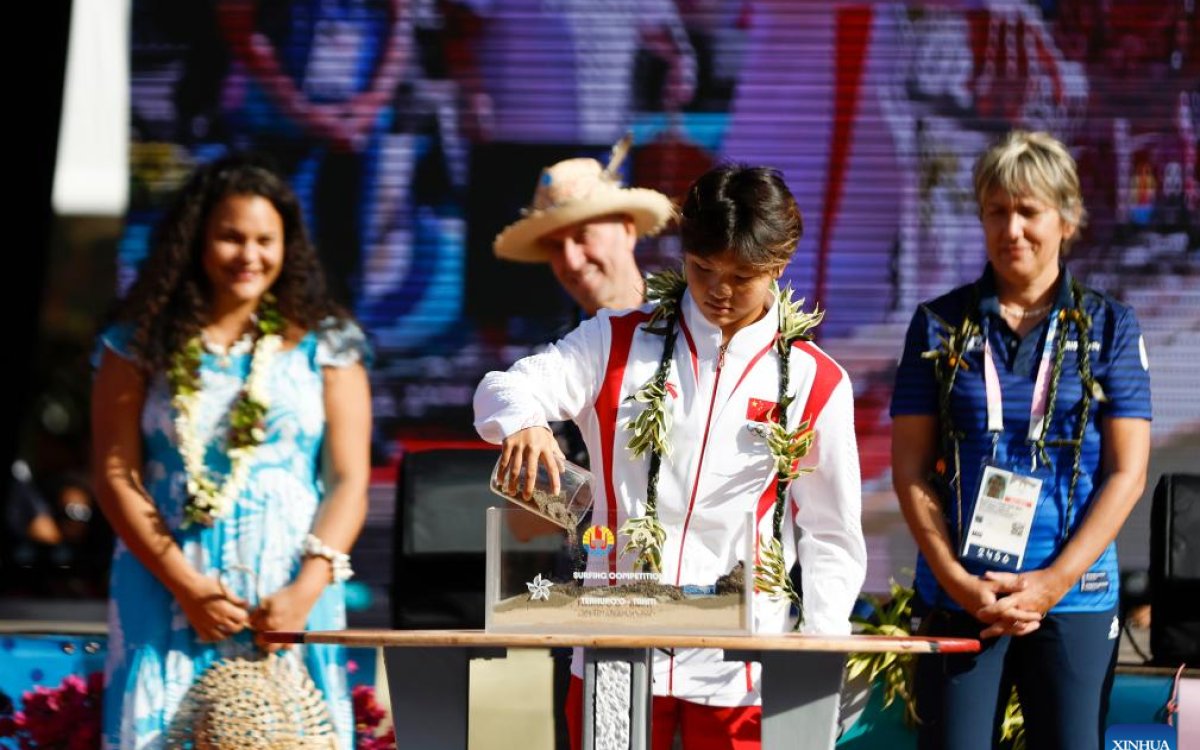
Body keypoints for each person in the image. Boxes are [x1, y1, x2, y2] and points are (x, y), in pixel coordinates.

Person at [476, 163, 867, 749]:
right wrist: (526, 422)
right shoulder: (613, 339)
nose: (719, 291)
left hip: (744, 668)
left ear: (780, 266)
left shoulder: (815, 381)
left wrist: (817, 651)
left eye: (743, 275)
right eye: (703, 268)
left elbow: (832, 534)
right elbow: (502, 388)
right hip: (615, 648)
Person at [91, 154, 372, 747]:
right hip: (166, 586)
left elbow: (349, 481)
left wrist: (303, 593)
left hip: (290, 592)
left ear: (287, 247)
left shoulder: (327, 343)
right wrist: (186, 587)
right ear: (196, 239)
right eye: (230, 236)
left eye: (265, 240)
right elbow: (116, 473)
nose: (249, 255)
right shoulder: (138, 342)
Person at [890, 130, 1152, 749]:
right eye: (997, 212)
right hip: (963, 596)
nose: (1013, 230)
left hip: (1075, 598)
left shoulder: (1110, 325)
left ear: (1067, 219)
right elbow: (909, 470)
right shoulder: (938, 322)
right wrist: (957, 581)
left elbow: (1128, 473)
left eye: (1029, 211)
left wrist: (1053, 582)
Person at [492, 143, 676, 317]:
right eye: (556, 246)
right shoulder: (557, 349)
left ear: (627, 231)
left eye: (582, 236)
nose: (572, 261)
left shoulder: (695, 324)